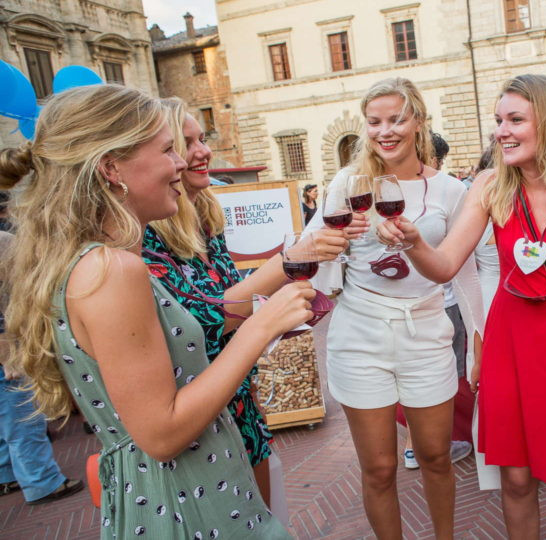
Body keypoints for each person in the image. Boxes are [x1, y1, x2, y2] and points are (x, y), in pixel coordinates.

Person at [0, 84, 312, 538]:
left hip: (163, 493)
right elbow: (162, 434)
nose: (182, 162)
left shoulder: (88, 262)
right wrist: (260, 326)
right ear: (111, 168)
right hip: (186, 500)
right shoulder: (112, 270)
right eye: (168, 149)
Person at [377, 74, 546, 539]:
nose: (501, 131)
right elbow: (446, 264)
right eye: (498, 120)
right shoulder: (491, 186)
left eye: (516, 120)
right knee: (516, 476)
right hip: (510, 343)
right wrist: (414, 241)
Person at [143, 97, 348, 504]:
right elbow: (201, 320)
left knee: (262, 516)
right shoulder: (143, 236)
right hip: (193, 409)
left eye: (201, 139)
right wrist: (290, 261)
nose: (202, 152)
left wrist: (283, 314)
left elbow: (231, 302)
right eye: (184, 144)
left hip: (237, 397)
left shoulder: (205, 216)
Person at [303, 77, 482, 540]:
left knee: (436, 456)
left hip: (425, 329)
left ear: (418, 120)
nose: (386, 131)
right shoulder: (348, 183)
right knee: (379, 467)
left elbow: (465, 271)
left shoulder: (448, 190)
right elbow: (314, 255)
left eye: (397, 119)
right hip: (360, 330)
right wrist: (338, 239)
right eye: (375, 122)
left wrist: (478, 341)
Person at [400, 131, 474, 470]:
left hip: (416, 304)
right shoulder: (446, 190)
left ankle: (417, 446)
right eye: (437, 159)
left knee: (418, 377)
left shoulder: (444, 189)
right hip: (439, 303)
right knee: (441, 377)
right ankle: (432, 446)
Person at [0, 231, 84, 506]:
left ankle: (8, 473)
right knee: (23, 418)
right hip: (9, 347)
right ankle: (42, 481)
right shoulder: (5, 242)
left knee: (8, 419)